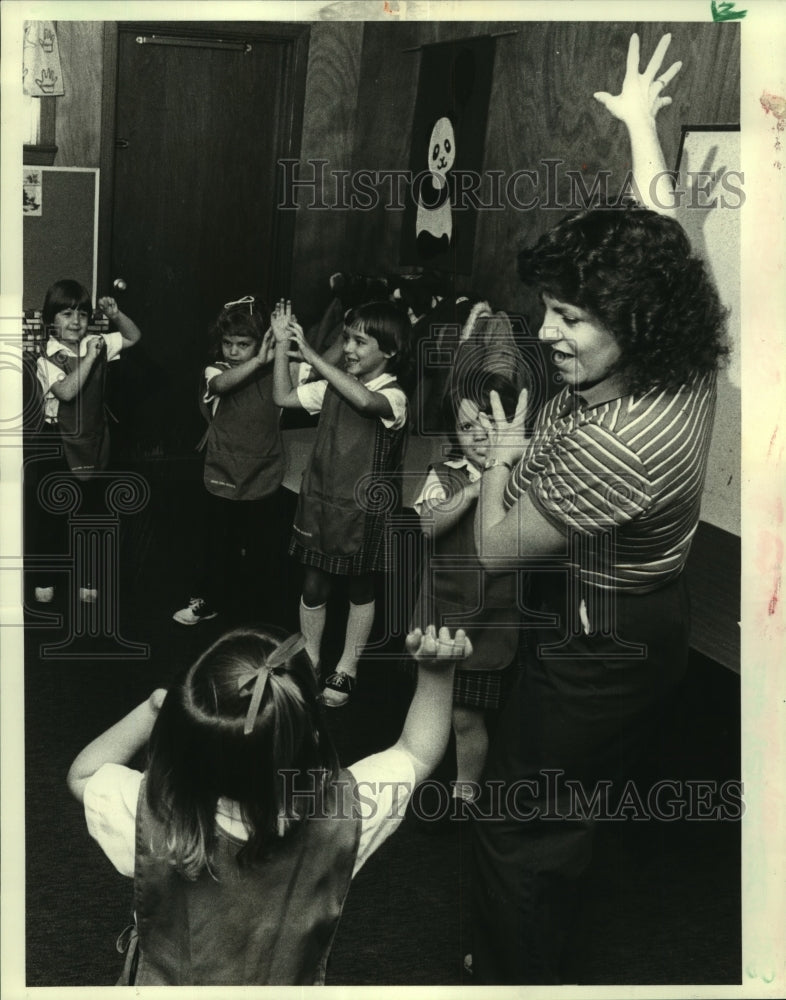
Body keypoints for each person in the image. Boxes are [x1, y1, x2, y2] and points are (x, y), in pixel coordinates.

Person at [469, 34, 729, 983]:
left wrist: (503, 457)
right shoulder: (691, 357)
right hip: (657, 619)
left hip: (601, 640)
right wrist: (640, 131)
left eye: (571, 318)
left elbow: (497, 552)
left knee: (514, 822)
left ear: (636, 321)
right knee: (576, 799)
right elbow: (672, 245)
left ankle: (518, 974)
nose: (547, 333)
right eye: (550, 310)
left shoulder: (613, 444)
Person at [66, 623, 472, 986]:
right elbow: (417, 753)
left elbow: (82, 774)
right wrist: (437, 676)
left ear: (184, 742)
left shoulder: (152, 813)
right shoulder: (345, 813)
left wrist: (152, 709)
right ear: (308, 735)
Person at [411, 312, 528, 806]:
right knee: (434, 701)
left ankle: (465, 790)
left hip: (492, 616)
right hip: (443, 612)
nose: (479, 435)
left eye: (489, 423)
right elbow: (426, 524)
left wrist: (503, 478)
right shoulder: (445, 474)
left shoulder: (522, 475)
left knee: (467, 716)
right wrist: (478, 488)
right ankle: (417, 764)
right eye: (466, 426)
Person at [272, 298, 411, 707]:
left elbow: (366, 403)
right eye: (346, 339)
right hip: (320, 500)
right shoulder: (332, 385)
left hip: (364, 512)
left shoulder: (394, 395)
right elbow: (282, 397)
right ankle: (311, 658)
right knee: (314, 582)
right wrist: (282, 346)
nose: (348, 348)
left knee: (359, 585)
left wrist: (313, 353)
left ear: (389, 351)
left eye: (359, 342)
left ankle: (347, 666)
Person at [172, 296, 285, 625]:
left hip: (264, 470)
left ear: (260, 341)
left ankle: (256, 613)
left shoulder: (278, 370)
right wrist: (259, 360)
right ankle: (208, 600)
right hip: (223, 470)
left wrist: (287, 344)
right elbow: (221, 384)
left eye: (243, 344)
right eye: (227, 343)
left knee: (260, 547)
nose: (233, 351)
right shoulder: (216, 370)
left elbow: (320, 365)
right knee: (217, 544)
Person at [31, 279, 141, 603]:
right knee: (52, 513)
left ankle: (88, 578)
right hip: (57, 442)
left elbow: (135, 337)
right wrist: (91, 356)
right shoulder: (47, 356)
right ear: (51, 320)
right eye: (66, 314)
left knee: (92, 512)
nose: (76, 321)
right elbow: (66, 392)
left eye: (81, 313)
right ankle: (45, 577)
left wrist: (117, 315)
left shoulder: (97, 341)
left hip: (93, 440)